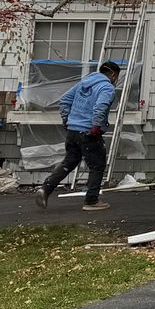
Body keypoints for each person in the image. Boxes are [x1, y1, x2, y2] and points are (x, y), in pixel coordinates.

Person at [37, 59, 119, 211]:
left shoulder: (84, 83)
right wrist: (95, 126)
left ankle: (45, 189)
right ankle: (91, 201)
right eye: (116, 78)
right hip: (88, 132)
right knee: (97, 165)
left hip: (73, 131)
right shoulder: (106, 87)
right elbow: (100, 106)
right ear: (113, 75)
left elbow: (65, 100)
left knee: (68, 162)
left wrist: (67, 120)